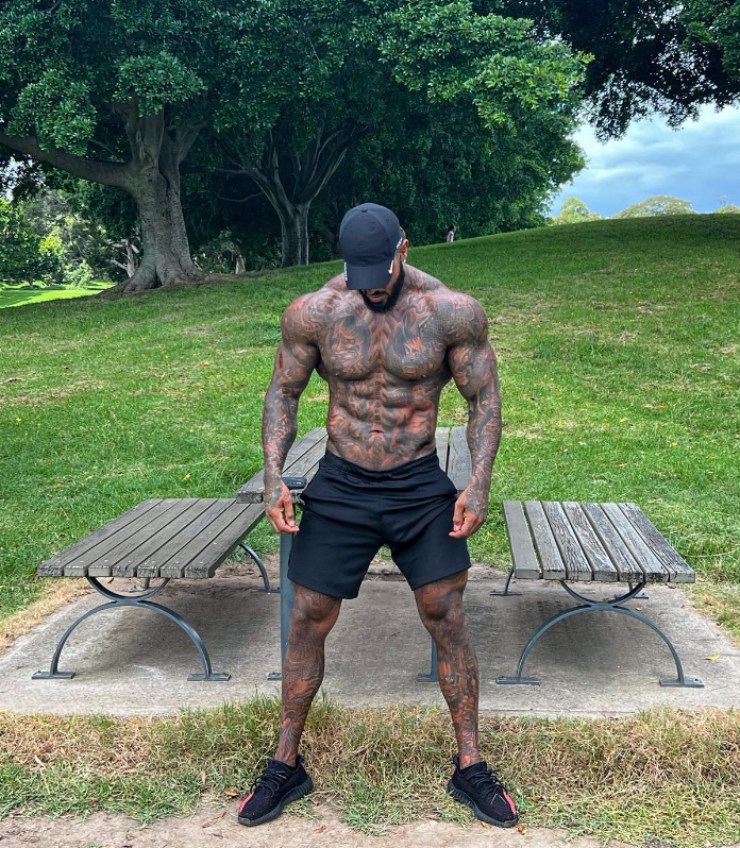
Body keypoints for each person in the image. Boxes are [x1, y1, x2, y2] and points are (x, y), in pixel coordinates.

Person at [238, 202, 516, 829]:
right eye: (360, 274)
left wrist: (477, 483)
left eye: (381, 272)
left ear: (404, 249)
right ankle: (285, 764)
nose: (371, 287)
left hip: (418, 481)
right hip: (342, 480)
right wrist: (274, 474)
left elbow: (484, 399)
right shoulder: (316, 312)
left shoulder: (451, 312)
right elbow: (284, 392)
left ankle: (470, 766)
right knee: (308, 615)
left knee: (446, 612)